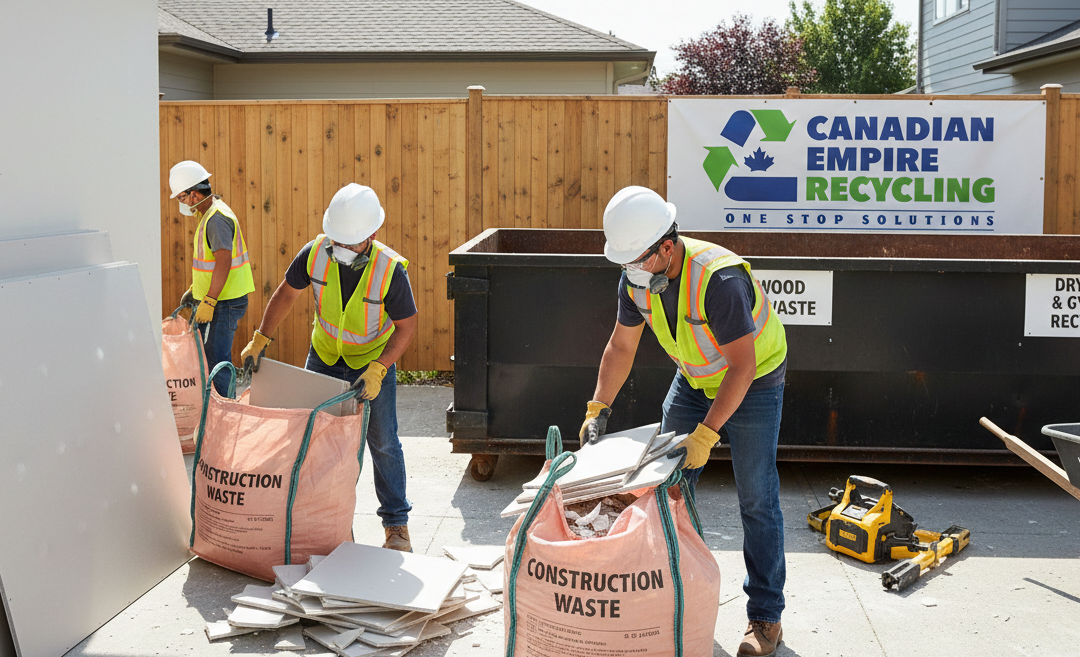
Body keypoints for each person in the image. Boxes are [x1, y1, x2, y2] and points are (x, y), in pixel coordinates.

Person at [579, 186, 789, 657]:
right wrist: (598, 408)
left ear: (667, 248)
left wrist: (708, 434)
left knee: (757, 497)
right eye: (624, 261)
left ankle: (766, 618)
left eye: (635, 258)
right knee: (665, 485)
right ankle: (669, 591)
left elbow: (743, 366)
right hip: (695, 378)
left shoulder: (719, 281)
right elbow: (621, 346)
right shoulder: (636, 279)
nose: (628, 269)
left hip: (753, 380)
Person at [239, 183, 417, 552]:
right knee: (316, 440)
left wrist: (380, 368)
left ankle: (396, 526)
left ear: (371, 235)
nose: (340, 249)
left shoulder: (390, 271)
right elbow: (286, 293)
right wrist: (260, 338)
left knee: (382, 442)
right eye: (337, 239)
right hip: (324, 357)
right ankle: (321, 522)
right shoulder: (316, 253)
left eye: (349, 242)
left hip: (370, 364)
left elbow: (407, 326)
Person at [168, 160, 255, 397]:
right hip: (219, 298)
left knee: (217, 358)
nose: (182, 203)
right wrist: (196, 289)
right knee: (209, 355)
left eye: (182, 197)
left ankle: (224, 413)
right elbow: (211, 262)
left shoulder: (215, 219)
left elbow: (224, 261)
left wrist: (209, 300)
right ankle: (216, 407)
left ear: (194, 195)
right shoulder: (209, 213)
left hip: (225, 301)